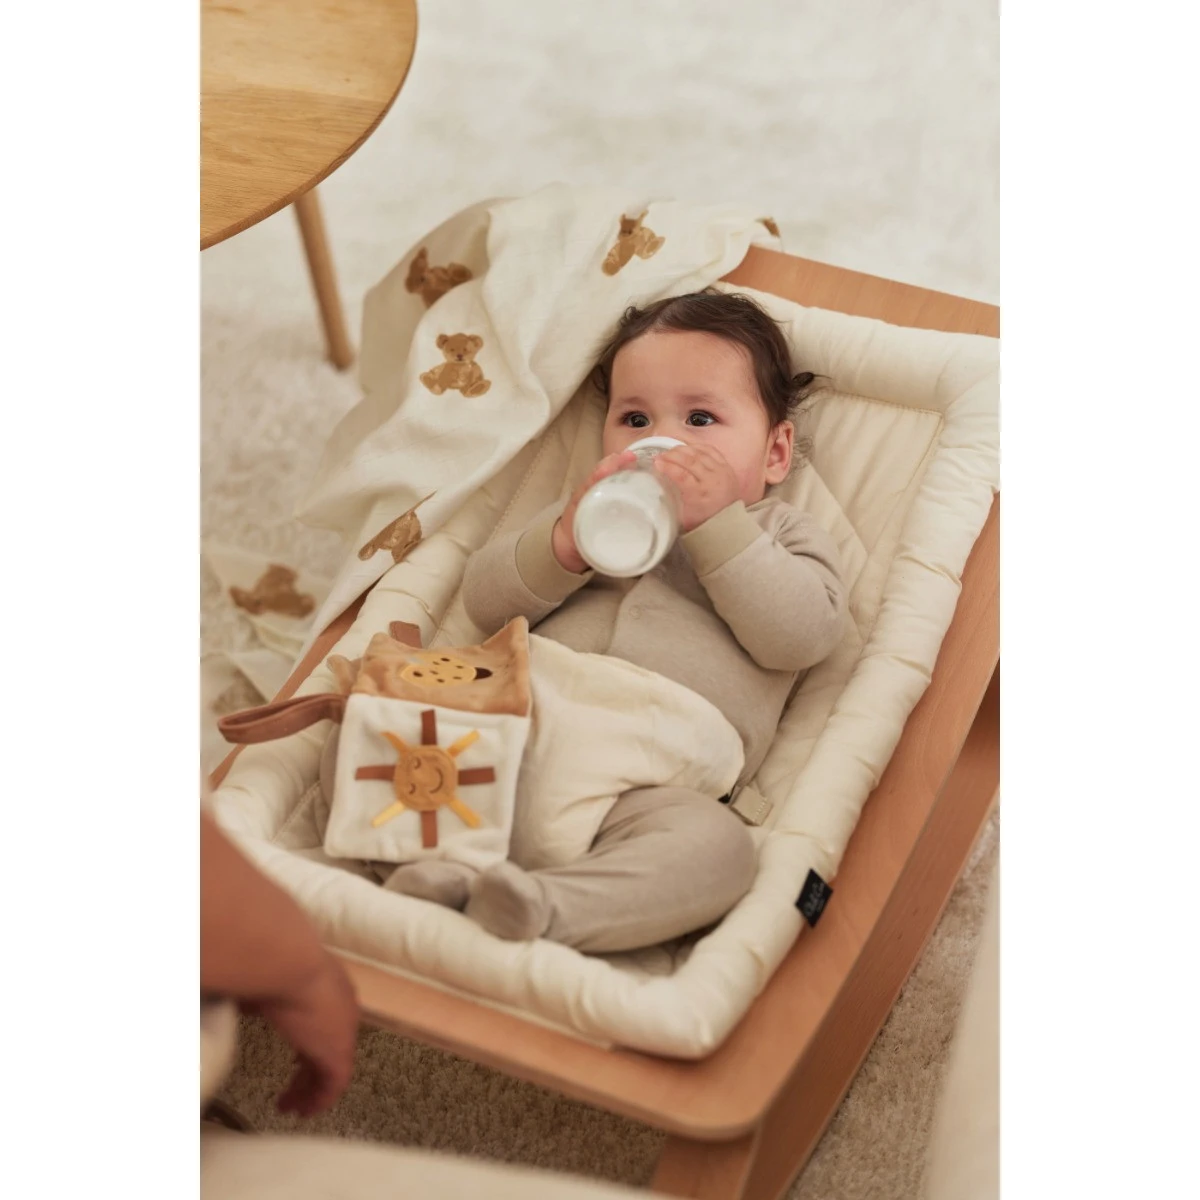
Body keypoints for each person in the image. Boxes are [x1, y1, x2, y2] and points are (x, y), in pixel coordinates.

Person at [385, 290, 847, 952]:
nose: (664, 441)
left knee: (720, 853)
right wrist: (563, 544)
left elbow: (802, 636)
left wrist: (720, 526)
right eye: (634, 418)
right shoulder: (585, 512)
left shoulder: (779, 533)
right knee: (384, 717)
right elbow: (485, 604)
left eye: (701, 418)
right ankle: (433, 867)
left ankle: (545, 907)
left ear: (775, 453)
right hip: (515, 724)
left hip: (650, 777)